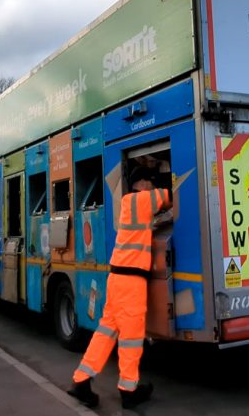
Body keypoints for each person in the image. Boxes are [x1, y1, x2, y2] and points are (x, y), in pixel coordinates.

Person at [68, 166, 171, 409]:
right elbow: (171, 194)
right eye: (152, 182)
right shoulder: (143, 200)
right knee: (132, 336)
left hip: (117, 279)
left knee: (106, 331)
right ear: (144, 184)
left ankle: (81, 380)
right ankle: (128, 389)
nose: (153, 187)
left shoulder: (128, 204)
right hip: (131, 282)